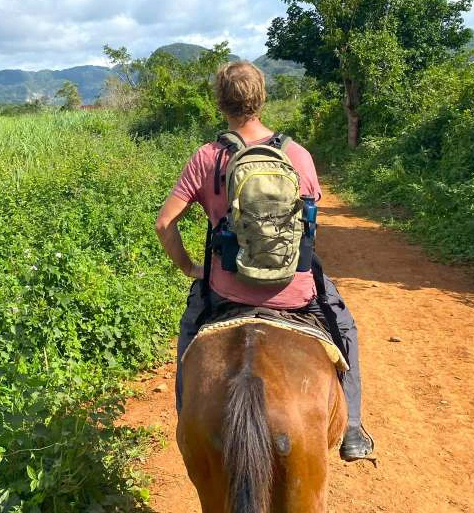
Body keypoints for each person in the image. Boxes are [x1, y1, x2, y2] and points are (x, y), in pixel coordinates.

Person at [154, 61, 374, 461]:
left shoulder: (208, 158)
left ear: (220, 103)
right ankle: (354, 428)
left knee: (190, 330)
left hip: (225, 292)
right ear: (262, 99)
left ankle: (186, 421)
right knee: (344, 325)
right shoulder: (298, 155)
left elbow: (165, 223)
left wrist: (191, 268)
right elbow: (308, 220)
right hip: (295, 293)